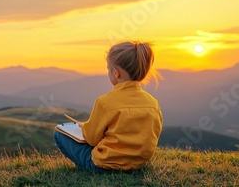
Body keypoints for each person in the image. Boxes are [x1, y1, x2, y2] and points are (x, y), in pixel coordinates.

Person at [54, 41, 163, 173]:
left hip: (103, 166)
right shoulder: (153, 103)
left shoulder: (104, 102)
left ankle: (86, 168)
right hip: (138, 164)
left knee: (59, 133)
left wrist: (85, 127)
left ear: (116, 73)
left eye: (108, 68)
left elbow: (92, 139)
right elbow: (154, 133)